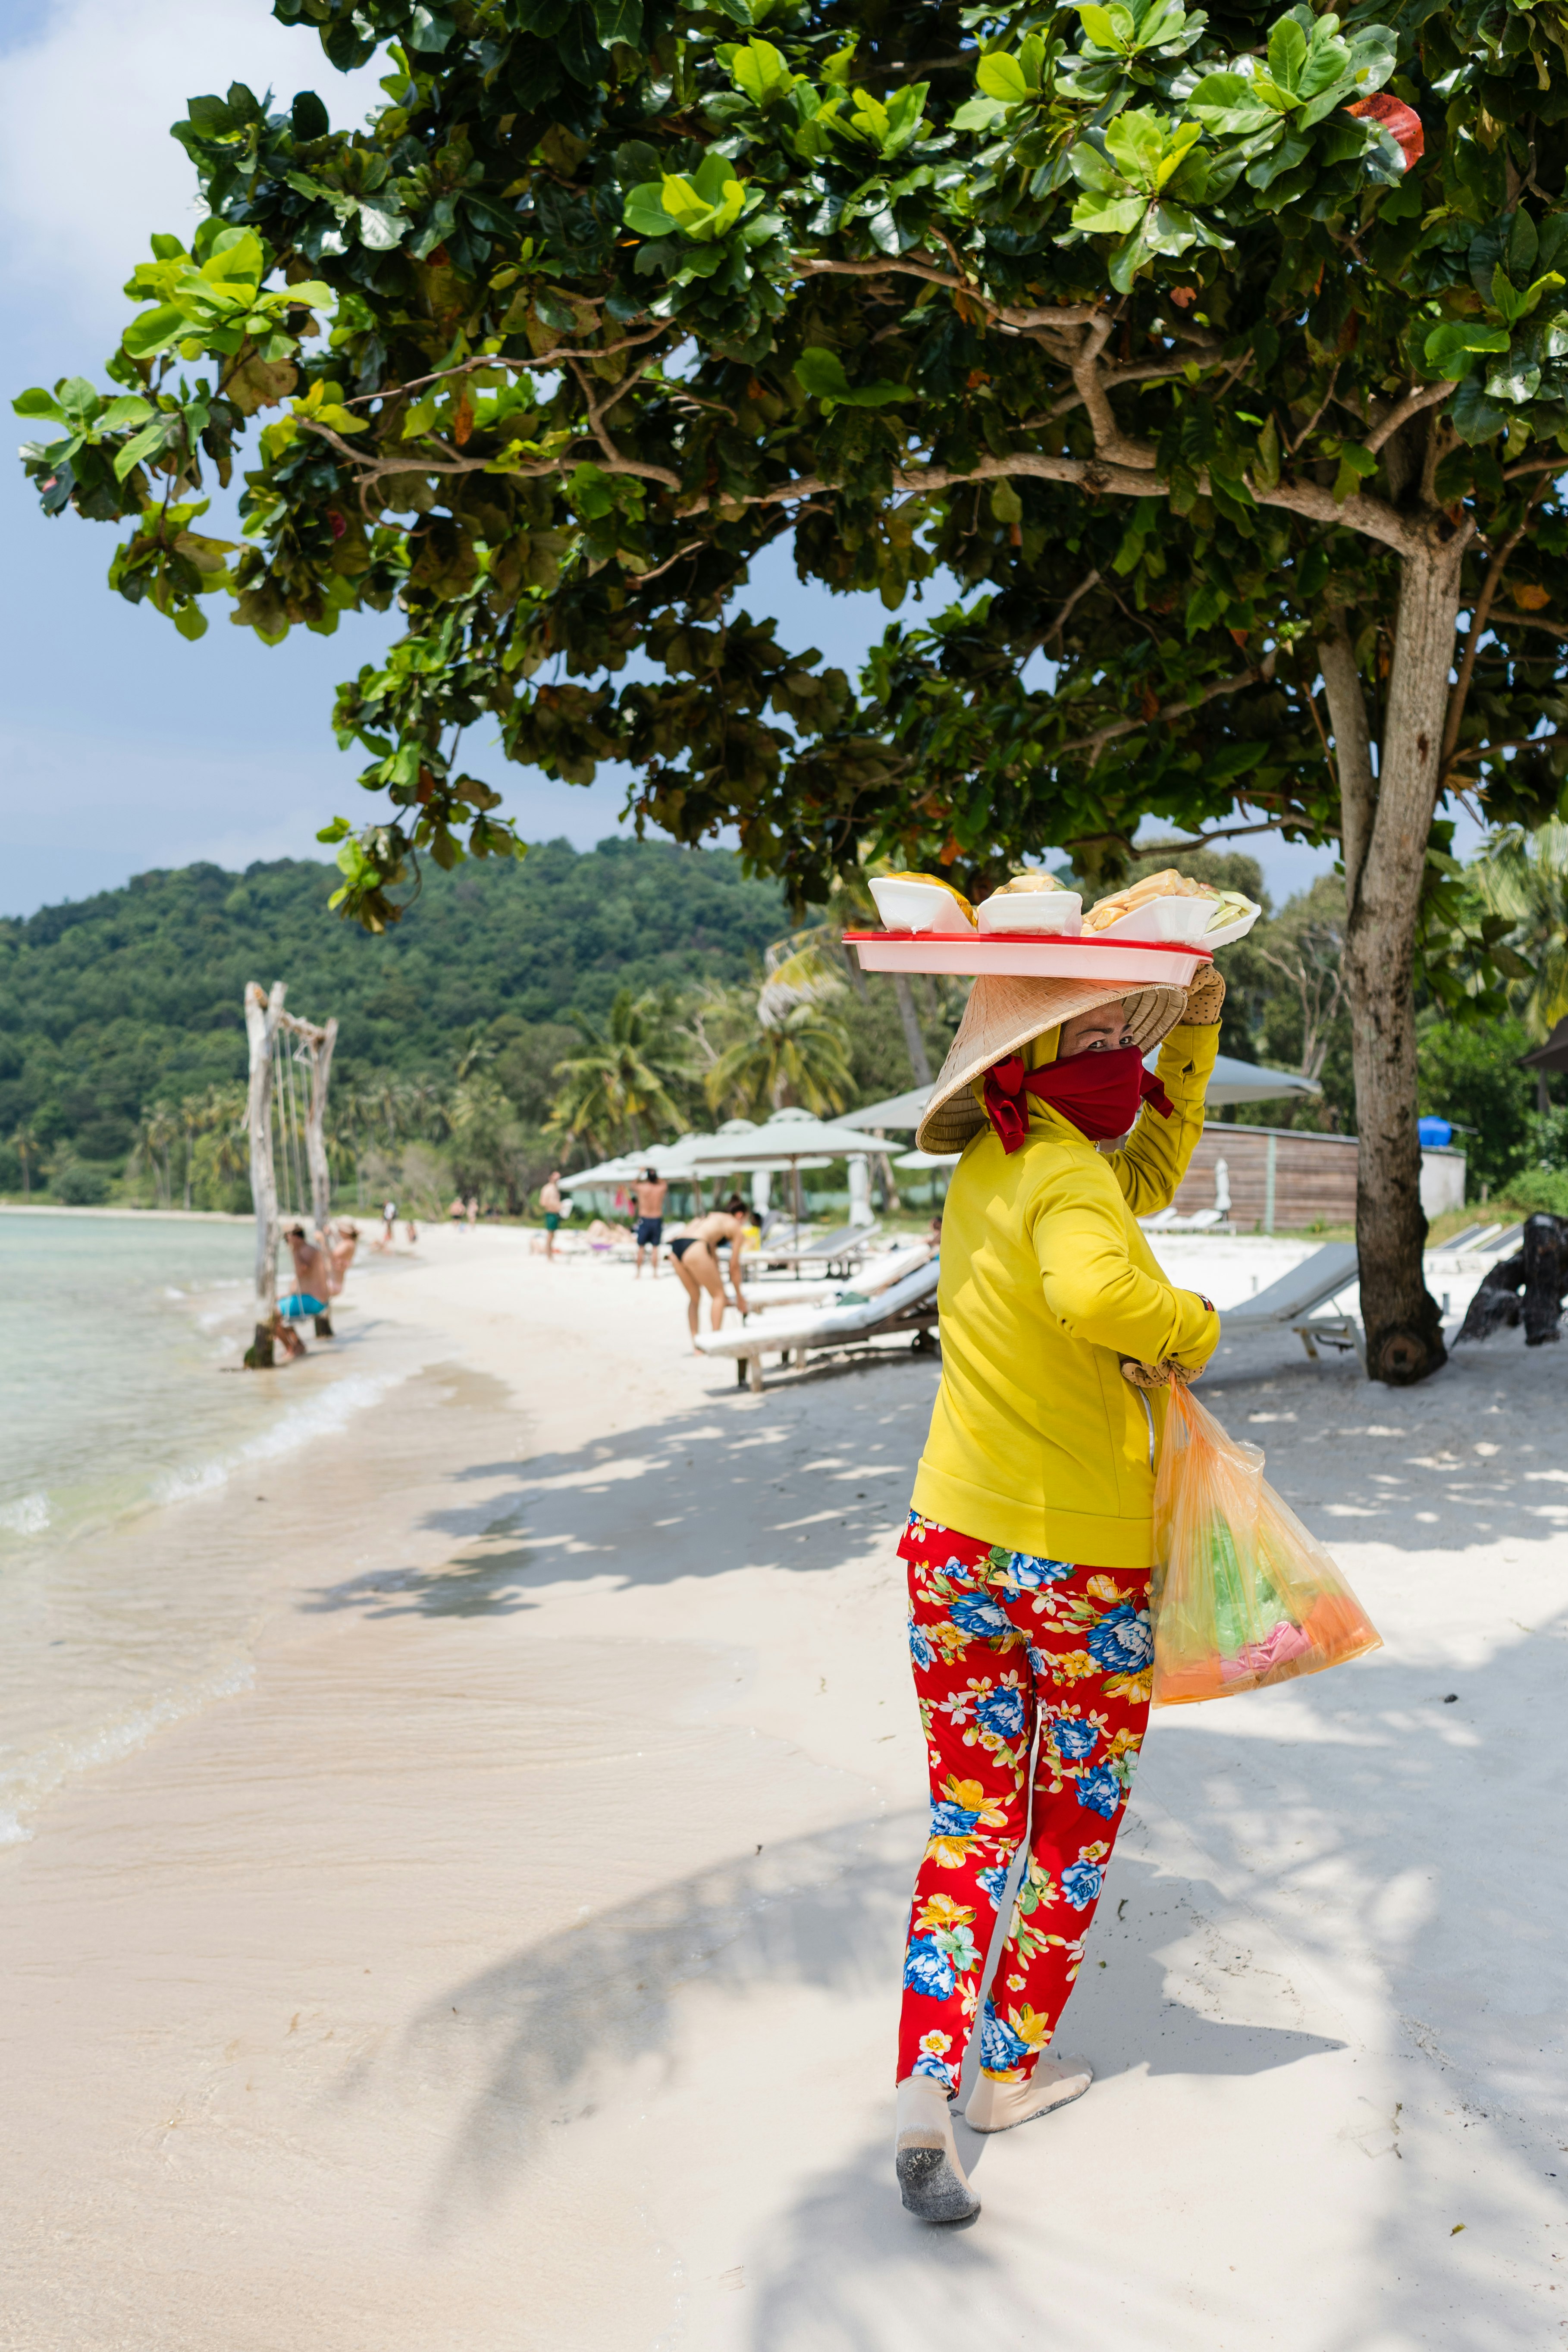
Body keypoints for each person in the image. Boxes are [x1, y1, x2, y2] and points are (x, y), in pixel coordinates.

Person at [890, 962, 1226, 2226]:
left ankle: (926, 2087)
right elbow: (1099, 1286)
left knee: (968, 1822)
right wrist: (1191, 1327)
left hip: (953, 1554)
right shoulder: (1069, 1176)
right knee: (1067, 1828)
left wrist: (1190, 1028)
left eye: (1112, 1027)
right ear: (1022, 1060)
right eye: (1085, 1031)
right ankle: (1005, 2077)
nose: (1110, 1047)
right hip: (1079, 1573)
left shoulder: (995, 1167)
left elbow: (1138, 1178)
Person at [667, 1195, 750, 1348]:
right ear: (740, 1215)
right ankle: (715, 1342)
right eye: (745, 1220)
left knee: (695, 1297)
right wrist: (739, 1297)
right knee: (719, 1296)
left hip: (676, 1249)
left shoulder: (710, 1216)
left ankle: (697, 1346)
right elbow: (734, 1266)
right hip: (695, 1247)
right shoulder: (735, 1226)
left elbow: (712, 1255)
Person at [278, 1223, 333, 1337]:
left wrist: (294, 1250)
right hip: (314, 1299)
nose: (286, 1242)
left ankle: (294, 1347)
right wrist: (288, 1295)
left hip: (314, 1300)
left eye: (286, 1238)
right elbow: (302, 1279)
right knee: (276, 1307)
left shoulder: (305, 1251)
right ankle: (296, 1345)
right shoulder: (307, 1249)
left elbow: (301, 1271)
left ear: (295, 1238)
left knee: (271, 1313)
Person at [633, 1166, 668, 1278]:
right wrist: (655, 1173)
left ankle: (638, 1274)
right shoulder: (660, 1188)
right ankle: (655, 1274)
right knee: (655, 1248)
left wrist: (641, 1173)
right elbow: (664, 1183)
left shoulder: (642, 1188)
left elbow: (633, 1184)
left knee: (641, 1248)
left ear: (647, 1177)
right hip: (657, 1219)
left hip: (644, 1219)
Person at [540, 1171, 565, 1258]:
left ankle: (550, 1254)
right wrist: (555, 1206)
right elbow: (543, 1203)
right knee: (550, 1236)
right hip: (550, 1213)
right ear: (551, 1177)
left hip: (556, 1214)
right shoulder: (547, 1189)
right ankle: (548, 1255)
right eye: (556, 1177)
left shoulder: (556, 1189)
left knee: (553, 1235)